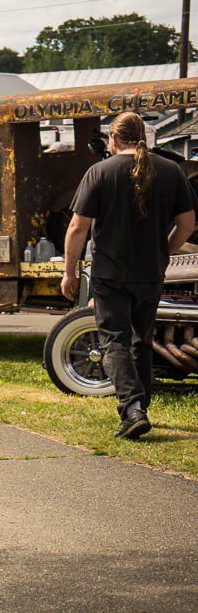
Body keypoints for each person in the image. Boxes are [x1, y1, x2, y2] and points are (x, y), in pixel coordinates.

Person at [62, 111, 196, 440]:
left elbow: (78, 228)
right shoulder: (170, 171)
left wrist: (69, 271)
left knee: (114, 342)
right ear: (144, 137)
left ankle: (132, 408)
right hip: (151, 271)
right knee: (142, 340)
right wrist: (165, 249)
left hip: (110, 272)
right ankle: (141, 407)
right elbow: (188, 224)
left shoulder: (100, 172)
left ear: (113, 139)